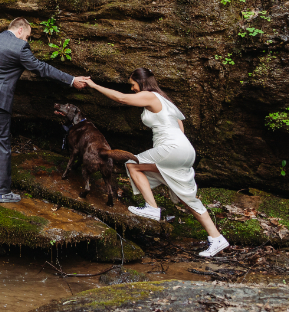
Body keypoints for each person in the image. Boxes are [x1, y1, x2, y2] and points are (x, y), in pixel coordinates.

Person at [84, 68, 229, 257]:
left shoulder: (150, 96)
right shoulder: (167, 102)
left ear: (141, 83)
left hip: (173, 148)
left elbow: (121, 98)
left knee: (131, 164)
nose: (132, 88)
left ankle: (152, 209)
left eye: (133, 84)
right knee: (186, 197)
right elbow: (180, 128)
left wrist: (94, 85)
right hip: (185, 150)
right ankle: (217, 238)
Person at [0, 17, 90, 203]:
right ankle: (2, 192)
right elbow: (42, 69)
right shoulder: (19, 47)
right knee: (0, 145)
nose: (27, 40)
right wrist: (71, 79)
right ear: (20, 31)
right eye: (27, 36)